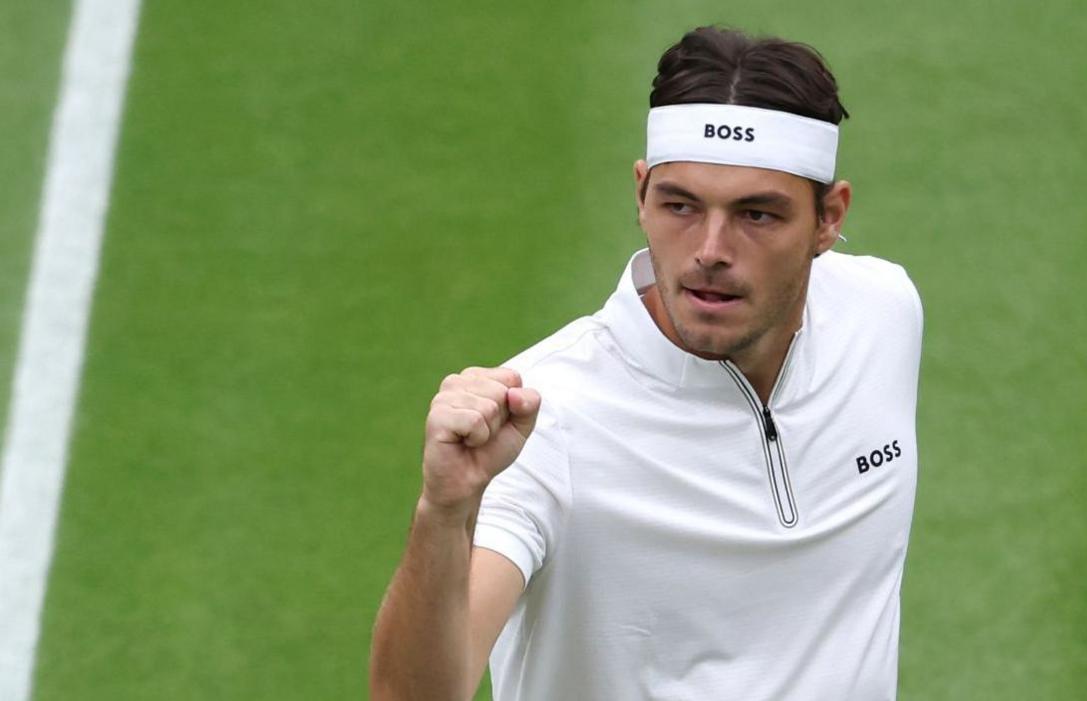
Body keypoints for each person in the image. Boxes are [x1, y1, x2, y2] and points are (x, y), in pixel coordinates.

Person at [370, 25, 923, 701]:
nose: (710, 249)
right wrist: (443, 512)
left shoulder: (883, 313)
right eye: (681, 205)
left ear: (829, 218)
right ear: (641, 195)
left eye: (757, 214)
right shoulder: (541, 421)